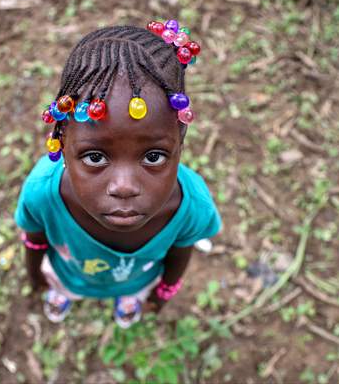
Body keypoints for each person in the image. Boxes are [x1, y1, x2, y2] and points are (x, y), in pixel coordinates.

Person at [14, 21, 221, 329]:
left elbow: (180, 255)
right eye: (94, 157)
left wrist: (163, 293)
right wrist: (35, 279)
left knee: (131, 291)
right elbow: (34, 243)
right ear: (62, 140)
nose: (124, 186)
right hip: (68, 275)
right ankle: (62, 294)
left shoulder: (192, 206)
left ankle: (128, 299)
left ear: (180, 141)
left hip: (138, 280)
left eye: (153, 156)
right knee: (62, 285)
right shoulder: (42, 192)